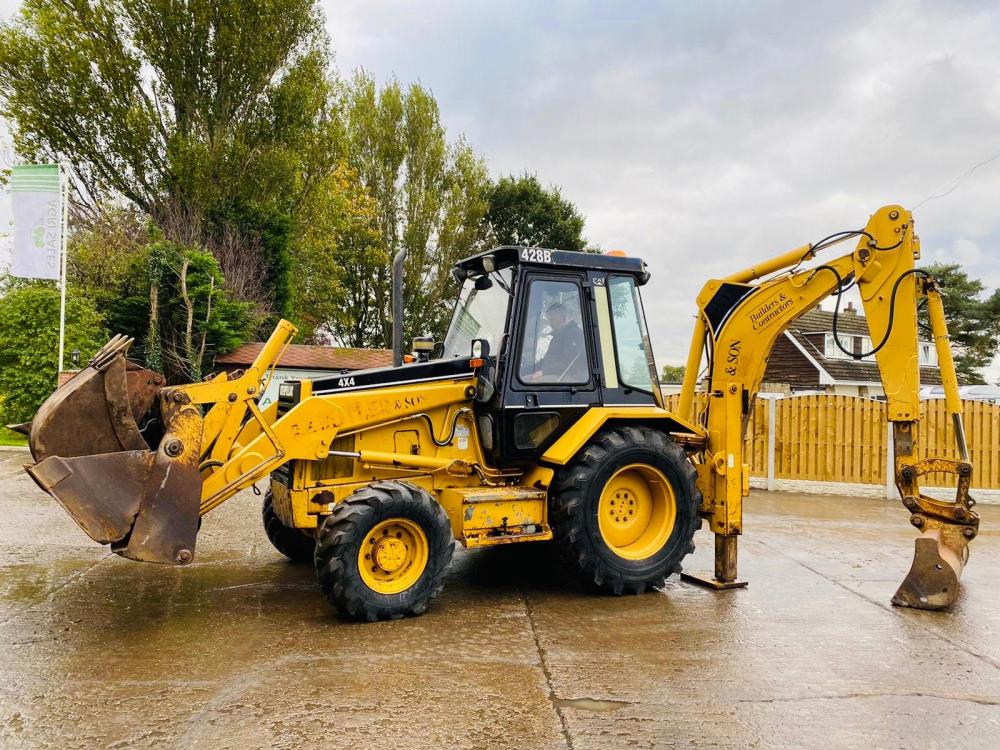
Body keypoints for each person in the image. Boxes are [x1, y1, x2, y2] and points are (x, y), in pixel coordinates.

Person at [528, 300, 586, 381]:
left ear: (563, 318)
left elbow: (568, 361)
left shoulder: (573, 334)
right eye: (549, 320)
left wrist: (544, 372)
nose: (550, 323)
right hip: (555, 373)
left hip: (570, 377)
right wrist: (530, 369)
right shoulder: (560, 335)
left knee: (529, 382)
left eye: (552, 320)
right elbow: (548, 360)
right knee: (524, 377)